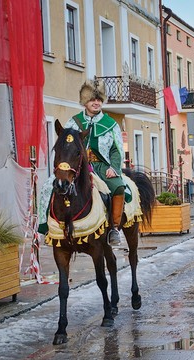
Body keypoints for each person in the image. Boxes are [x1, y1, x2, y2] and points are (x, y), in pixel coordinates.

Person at [64, 79, 125, 246]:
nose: (96, 103)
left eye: (99, 100)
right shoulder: (73, 122)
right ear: (85, 102)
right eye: (92, 99)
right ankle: (54, 225)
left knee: (118, 187)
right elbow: (66, 146)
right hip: (78, 167)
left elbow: (117, 149)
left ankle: (114, 228)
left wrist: (114, 167)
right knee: (52, 185)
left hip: (102, 166)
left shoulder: (111, 124)